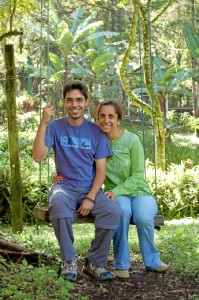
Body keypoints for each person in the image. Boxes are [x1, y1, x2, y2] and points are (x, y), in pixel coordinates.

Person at [55, 100, 169, 279]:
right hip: (112, 192)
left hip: (139, 192)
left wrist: (117, 191)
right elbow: (81, 165)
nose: (106, 120)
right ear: (97, 117)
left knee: (143, 218)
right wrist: (60, 175)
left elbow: (138, 175)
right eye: (102, 116)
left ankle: (152, 261)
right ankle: (121, 264)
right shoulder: (94, 138)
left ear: (118, 119)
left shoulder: (132, 140)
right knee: (120, 213)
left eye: (111, 116)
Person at [33, 81, 120, 282]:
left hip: (90, 189)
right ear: (63, 102)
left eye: (79, 100)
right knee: (58, 203)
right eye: (70, 100)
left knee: (112, 211)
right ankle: (69, 260)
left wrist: (90, 197)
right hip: (64, 188)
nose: (75, 105)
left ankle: (95, 262)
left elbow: (101, 170)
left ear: (86, 102)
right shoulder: (54, 127)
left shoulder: (96, 132)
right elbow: (38, 156)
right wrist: (43, 122)